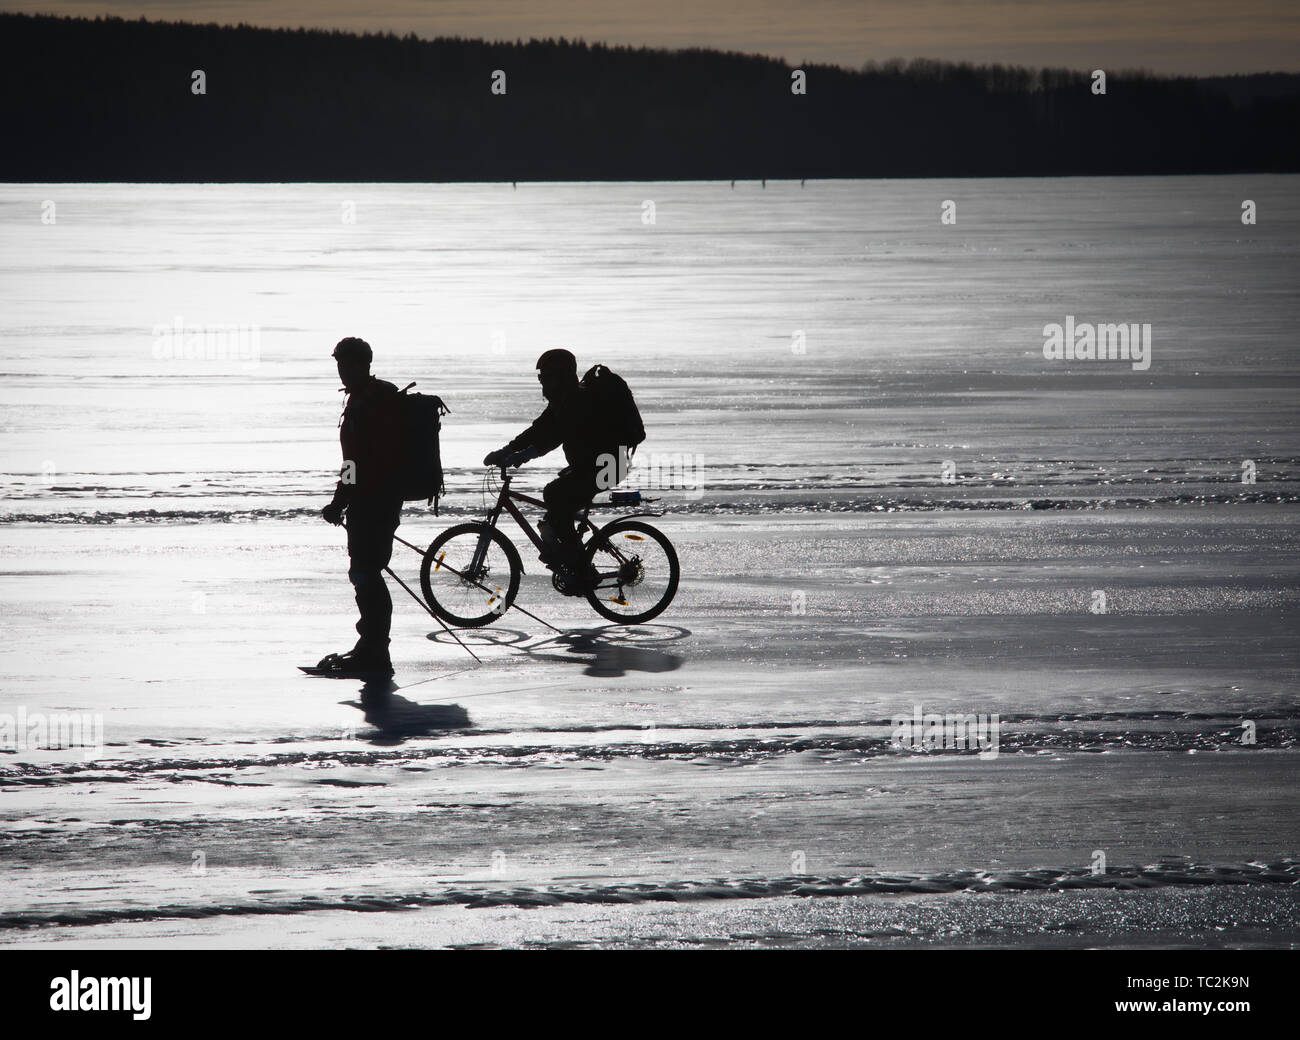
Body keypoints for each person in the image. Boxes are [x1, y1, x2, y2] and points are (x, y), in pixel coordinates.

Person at [483, 348, 627, 588]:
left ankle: (581, 570)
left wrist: (523, 456)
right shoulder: (563, 401)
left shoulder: (578, 400)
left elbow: (556, 437)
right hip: (592, 466)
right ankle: (573, 558)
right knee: (556, 506)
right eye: (541, 378)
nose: (543, 383)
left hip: (607, 467)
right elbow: (538, 430)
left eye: (546, 377)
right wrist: (506, 451)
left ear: (561, 376)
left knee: (555, 495)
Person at [318, 337, 403, 676]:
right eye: (339, 364)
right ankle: (370, 648)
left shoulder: (366, 403)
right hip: (379, 499)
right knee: (366, 572)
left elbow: (354, 461)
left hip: (373, 503)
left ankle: (375, 654)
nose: (342, 371)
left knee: (366, 574)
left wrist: (340, 501)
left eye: (347, 364)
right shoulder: (376, 396)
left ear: (363, 365)